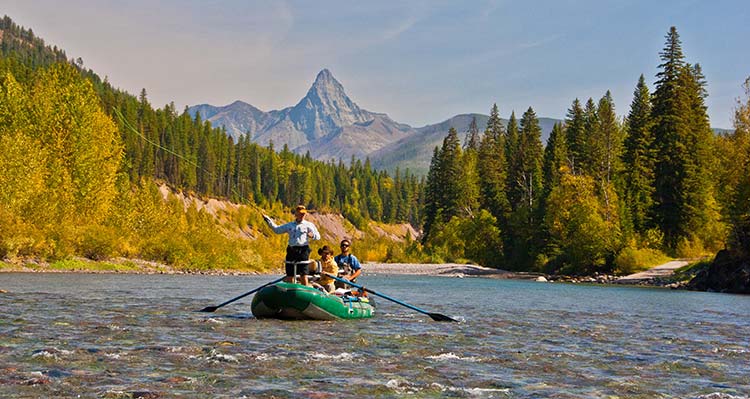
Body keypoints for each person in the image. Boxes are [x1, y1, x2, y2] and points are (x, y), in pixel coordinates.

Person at [263, 205, 320, 285]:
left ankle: (305, 289)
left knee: (303, 274)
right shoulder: (289, 225)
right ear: (296, 214)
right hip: (291, 250)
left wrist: (313, 236)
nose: (302, 215)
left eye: (304, 214)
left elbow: (318, 237)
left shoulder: (309, 225)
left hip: (303, 250)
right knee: (290, 274)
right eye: (300, 214)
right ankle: (291, 290)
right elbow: (277, 230)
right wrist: (268, 220)